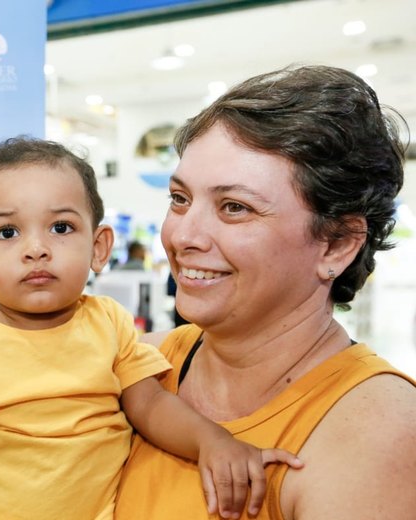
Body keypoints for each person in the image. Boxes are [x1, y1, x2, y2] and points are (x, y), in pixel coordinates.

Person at [0, 137, 301, 520]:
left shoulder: (108, 323)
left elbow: (151, 405)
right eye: (8, 232)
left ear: (99, 247)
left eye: (61, 228)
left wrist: (211, 441)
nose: (36, 249)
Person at [115, 65, 416, 519]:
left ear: (335, 243)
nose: (182, 236)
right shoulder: (140, 366)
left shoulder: (376, 431)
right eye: (180, 199)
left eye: (234, 208)